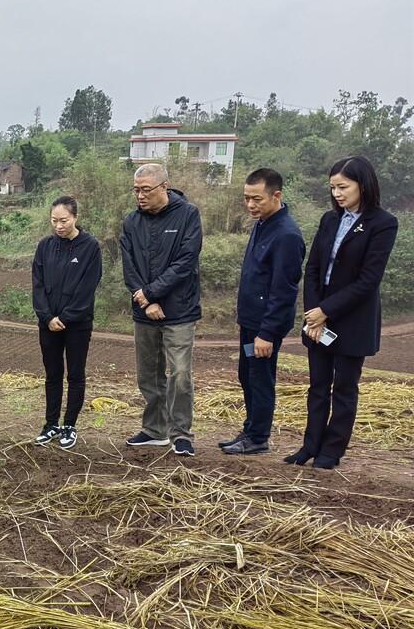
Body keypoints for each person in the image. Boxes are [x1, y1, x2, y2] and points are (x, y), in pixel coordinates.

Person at [285, 156, 398, 470]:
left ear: (363, 185)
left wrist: (326, 310)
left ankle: (332, 451)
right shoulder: (329, 220)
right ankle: (310, 446)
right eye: (333, 187)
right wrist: (313, 312)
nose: (336, 193)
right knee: (317, 386)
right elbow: (314, 269)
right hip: (318, 319)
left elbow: (368, 280)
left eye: (343, 186)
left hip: (352, 319)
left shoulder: (383, 223)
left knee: (344, 388)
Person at [220, 169, 305, 455]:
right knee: (248, 376)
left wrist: (267, 333)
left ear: (276, 195)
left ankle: (258, 438)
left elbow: (284, 290)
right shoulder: (262, 223)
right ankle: (250, 429)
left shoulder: (287, 235)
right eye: (246, 198)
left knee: (261, 379)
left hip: (264, 328)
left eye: (257, 198)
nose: (250, 205)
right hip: (250, 322)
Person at [121, 163, 203, 457]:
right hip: (145, 310)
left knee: (180, 373)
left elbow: (185, 261)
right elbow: (129, 265)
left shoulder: (188, 215)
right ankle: (155, 430)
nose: (140, 196)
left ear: (164, 187)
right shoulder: (131, 222)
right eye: (136, 190)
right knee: (148, 374)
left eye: (146, 190)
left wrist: (153, 293)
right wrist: (146, 300)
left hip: (179, 311)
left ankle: (181, 433)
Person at [32, 197, 102, 450]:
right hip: (48, 323)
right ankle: (50, 424)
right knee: (52, 374)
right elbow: (37, 284)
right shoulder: (45, 246)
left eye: (64, 220)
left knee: (75, 374)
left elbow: (88, 287)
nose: (59, 226)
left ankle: (69, 425)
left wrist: (66, 317)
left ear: (75, 218)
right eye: (54, 221)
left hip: (77, 324)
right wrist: (47, 317)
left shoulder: (90, 247)